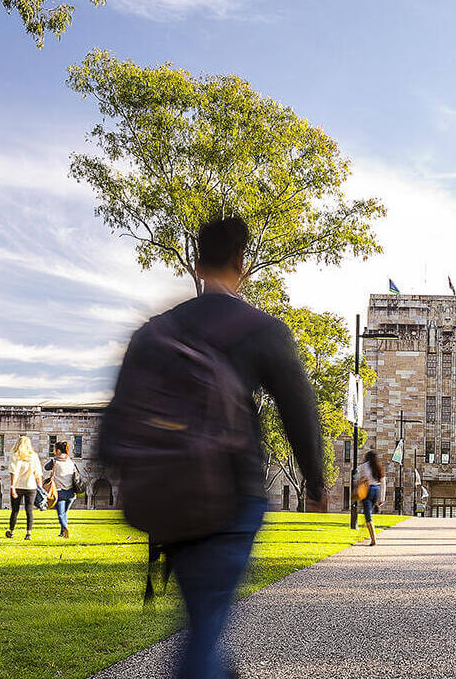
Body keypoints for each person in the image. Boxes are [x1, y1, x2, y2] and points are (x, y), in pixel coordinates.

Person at [105, 216, 325, 679]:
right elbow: (299, 408)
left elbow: (117, 417)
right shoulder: (261, 329)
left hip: (169, 499)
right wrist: (315, 478)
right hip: (232, 492)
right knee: (205, 628)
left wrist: (133, 473)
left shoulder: (156, 331)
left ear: (197, 260)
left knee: (205, 620)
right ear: (242, 263)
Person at [5, 436, 41, 540]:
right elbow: (38, 473)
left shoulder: (15, 456)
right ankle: (28, 533)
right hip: (31, 487)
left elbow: (13, 473)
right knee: (29, 510)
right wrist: (40, 487)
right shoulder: (34, 457)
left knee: (15, 510)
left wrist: (12, 487)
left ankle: (11, 531)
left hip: (18, 486)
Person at [46, 441, 83, 538]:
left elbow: (46, 468)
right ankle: (62, 532)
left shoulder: (55, 461)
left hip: (59, 491)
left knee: (61, 514)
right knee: (65, 513)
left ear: (58, 450)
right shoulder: (71, 462)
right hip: (71, 492)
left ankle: (65, 527)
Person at [355, 451, 385, 546]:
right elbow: (383, 483)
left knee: (368, 515)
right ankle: (367, 533)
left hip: (368, 490)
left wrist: (359, 482)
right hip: (376, 490)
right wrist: (381, 498)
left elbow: (356, 475)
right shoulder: (379, 467)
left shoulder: (364, 466)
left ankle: (373, 539)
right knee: (368, 512)